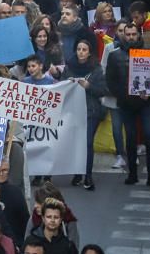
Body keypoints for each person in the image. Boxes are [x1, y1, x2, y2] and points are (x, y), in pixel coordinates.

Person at [105, 22, 150, 187]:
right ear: (123, 35)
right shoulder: (115, 56)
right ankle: (132, 174)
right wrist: (124, 95)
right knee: (130, 138)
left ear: (139, 34)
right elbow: (110, 81)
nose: (130, 37)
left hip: (147, 103)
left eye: (133, 34)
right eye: (127, 34)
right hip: (126, 103)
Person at [61, 40, 107, 190]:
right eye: (79, 49)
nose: (81, 52)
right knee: (75, 143)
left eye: (84, 49)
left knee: (87, 143)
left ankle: (88, 175)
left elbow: (102, 90)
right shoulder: (69, 67)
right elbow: (60, 88)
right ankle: (77, 173)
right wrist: (66, 84)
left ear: (89, 52)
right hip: (72, 111)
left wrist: (89, 87)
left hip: (90, 111)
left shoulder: (96, 69)